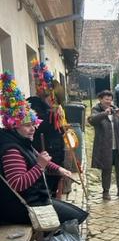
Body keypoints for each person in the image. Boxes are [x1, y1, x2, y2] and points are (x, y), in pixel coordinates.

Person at [0, 72, 87, 226]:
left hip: (35, 198)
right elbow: (17, 184)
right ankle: (53, 239)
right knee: (75, 217)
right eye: (27, 125)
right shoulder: (11, 150)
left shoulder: (22, 141)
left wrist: (59, 169)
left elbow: (38, 158)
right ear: (13, 126)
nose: (33, 129)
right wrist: (40, 166)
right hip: (21, 206)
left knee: (77, 212)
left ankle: (53, 237)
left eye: (34, 124)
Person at [27, 60, 66, 196]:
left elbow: (59, 130)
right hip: (41, 154)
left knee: (54, 189)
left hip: (57, 155)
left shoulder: (57, 108)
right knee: (45, 190)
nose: (53, 101)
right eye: (52, 97)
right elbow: (37, 126)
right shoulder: (33, 104)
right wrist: (51, 115)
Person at [88, 90, 119, 201]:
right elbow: (92, 120)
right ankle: (106, 191)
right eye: (106, 99)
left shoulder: (115, 109)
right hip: (104, 144)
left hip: (118, 143)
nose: (108, 102)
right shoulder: (96, 109)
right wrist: (105, 113)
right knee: (106, 168)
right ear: (100, 99)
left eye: (110, 99)